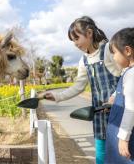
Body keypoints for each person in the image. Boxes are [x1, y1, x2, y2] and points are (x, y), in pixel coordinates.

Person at [40, 16, 122, 164]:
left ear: (89, 33)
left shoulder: (109, 50)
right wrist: (57, 96)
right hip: (100, 114)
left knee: (123, 151)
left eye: (76, 38)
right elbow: (78, 86)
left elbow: (126, 76)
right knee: (101, 154)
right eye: (73, 41)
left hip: (119, 110)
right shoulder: (84, 60)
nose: (75, 44)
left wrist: (116, 95)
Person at [105, 28, 134, 164]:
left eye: (114, 52)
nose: (113, 57)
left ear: (127, 51)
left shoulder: (131, 74)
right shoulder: (128, 72)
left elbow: (131, 108)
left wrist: (123, 137)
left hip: (126, 134)